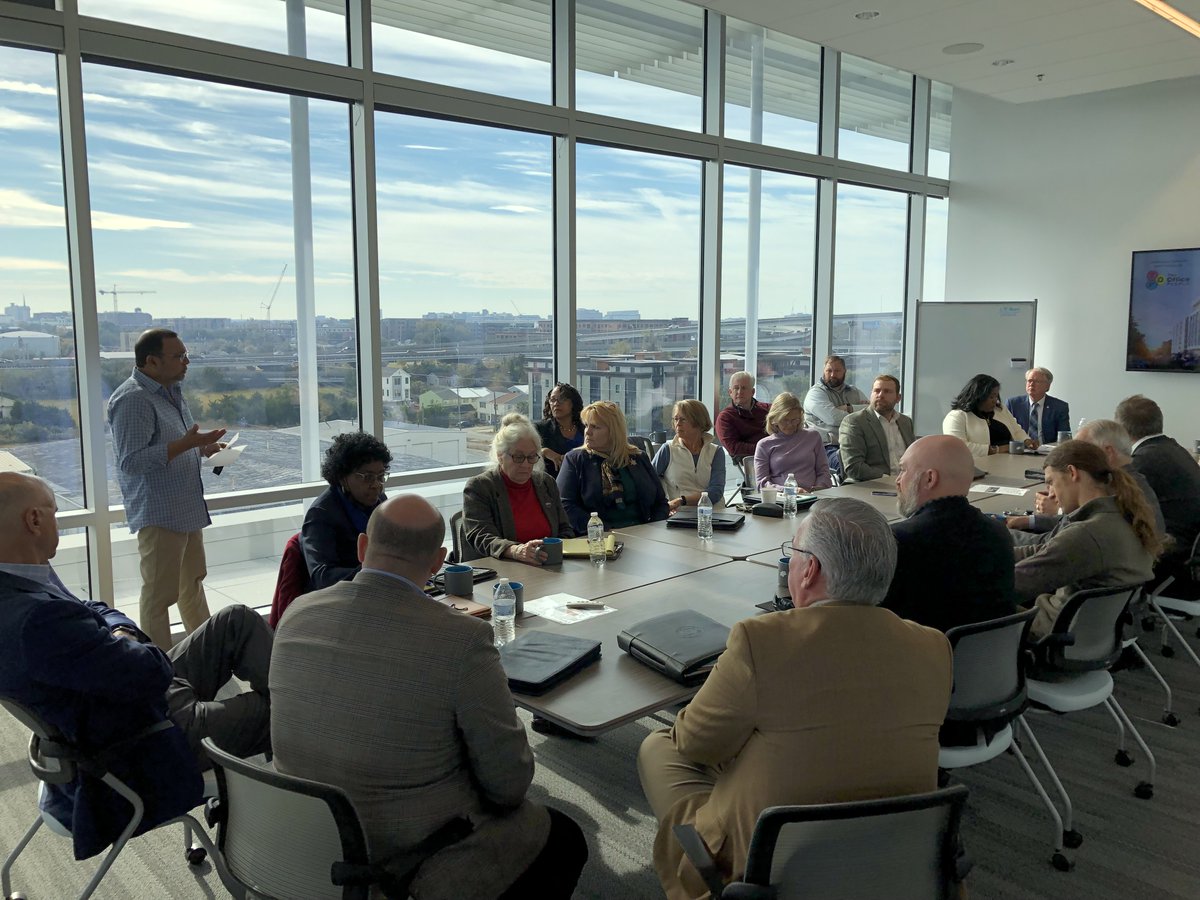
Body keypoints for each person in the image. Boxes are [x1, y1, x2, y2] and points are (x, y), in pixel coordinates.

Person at [270, 495, 587, 900]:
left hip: (295, 833)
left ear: (362, 546)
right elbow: (509, 785)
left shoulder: (297, 613)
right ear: (439, 561)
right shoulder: (462, 641)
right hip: (403, 859)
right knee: (563, 836)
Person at [637, 497, 951, 900]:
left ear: (810, 571)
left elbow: (695, 743)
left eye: (795, 553)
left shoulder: (761, 639)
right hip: (893, 857)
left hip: (767, 872)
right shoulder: (934, 647)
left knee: (660, 745)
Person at [0, 472, 272, 861]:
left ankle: (294, 746)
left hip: (126, 701)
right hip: (145, 738)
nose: (58, 522)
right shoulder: (34, 620)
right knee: (288, 708)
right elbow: (151, 670)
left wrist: (119, 634)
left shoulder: (21, 579)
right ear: (34, 520)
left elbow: (94, 609)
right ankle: (308, 785)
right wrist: (125, 639)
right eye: (55, 513)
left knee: (237, 620)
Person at [108, 328, 226, 649]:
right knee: (160, 597)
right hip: (160, 513)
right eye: (179, 356)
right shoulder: (133, 399)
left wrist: (202, 447)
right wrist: (186, 444)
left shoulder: (172, 391)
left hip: (186, 507)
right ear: (151, 361)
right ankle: (161, 671)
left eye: (186, 355)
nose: (187, 362)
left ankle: (207, 655)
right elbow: (131, 461)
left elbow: (176, 444)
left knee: (192, 586)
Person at [1014, 441, 1160, 638]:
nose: (1050, 494)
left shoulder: (1087, 534)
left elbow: (1011, 584)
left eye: (1050, 482)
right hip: (1090, 633)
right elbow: (1043, 551)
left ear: (1072, 473)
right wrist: (991, 550)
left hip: (1051, 634)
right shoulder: (1124, 515)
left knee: (968, 602)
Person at [883, 436, 1016, 632]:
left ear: (930, 478)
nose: (898, 481)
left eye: (903, 470)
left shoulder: (898, 541)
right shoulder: (998, 533)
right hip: (993, 659)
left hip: (925, 659)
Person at [1005, 419, 1165, 546]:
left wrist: (995, 533)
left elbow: (1050, 544)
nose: (1074, 458)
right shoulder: (1127, 482)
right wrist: (1030, 521)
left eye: (1081, 451)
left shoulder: (1110, 493)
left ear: (1107, 452)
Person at [463, 413, 573, 562]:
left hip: (548, 567)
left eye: (532, 457)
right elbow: (482, 536)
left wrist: (551, 551)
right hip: (502, 574)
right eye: (518, 457)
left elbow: (565, 529)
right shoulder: (480, 487)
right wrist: (515, 551)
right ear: (500, 455)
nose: (526, 464)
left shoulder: (546, 483)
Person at [556, 400, 669, 532]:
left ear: (614, 431)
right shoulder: (575, 460)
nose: (587, 432)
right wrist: (600, 530)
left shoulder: (638, 457)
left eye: (595, 427)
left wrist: (653, 528)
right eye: (586, 426)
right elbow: (565, 505)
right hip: (597, 537)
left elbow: (660, 502)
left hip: (643, 533)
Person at [1114, 394, 1200, 569]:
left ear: (1121, 430)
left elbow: (1115, 511)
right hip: (1190, 547)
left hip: (1172, 555)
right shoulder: (1176, 449)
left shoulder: (1142, 461)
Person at [301, 431, 392, 590]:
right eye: (367, 477)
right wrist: (375, 570)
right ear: (342, 477)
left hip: (376, 590)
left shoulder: (379, 500)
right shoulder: (321, 514)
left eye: (381, 476)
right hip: (339, 601)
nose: (377, 485)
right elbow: (322, 577)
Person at [652, 399, 727, 514]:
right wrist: (663, 505)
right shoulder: (668, 450)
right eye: (676, 419)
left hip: (714, 513)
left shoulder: (716, 452)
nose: (677, 424)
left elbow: (716, 492)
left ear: (698, 422)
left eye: (682, 419)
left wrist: (681, 500)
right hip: (680, 515)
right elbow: (648, 481)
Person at [838, 374, 916, 482]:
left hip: (906, 484)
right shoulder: (855, 422)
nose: (880, 395)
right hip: (872, 486)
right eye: (876, 391)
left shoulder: (905, 422)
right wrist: (889, 480)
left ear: (898, 398)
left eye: (887, 391)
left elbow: (913, 459)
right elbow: (854, 467)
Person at [753, 392, 831, 492]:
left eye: (794, 420)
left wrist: (817, 489)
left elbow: (823, 472)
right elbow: (762, 484)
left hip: (813, 495)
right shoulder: (764, 445)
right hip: (781, 498)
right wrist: (790, 491)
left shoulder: (813, 437)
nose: (790, 425)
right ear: (774, 419)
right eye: (785, 420)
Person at [942, 373, 1033, 458]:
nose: (995, 400)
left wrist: (1026, 441)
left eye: (996, 396)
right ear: (978, 396)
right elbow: (957, 447)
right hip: (976, 466)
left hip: (1010, 460)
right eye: (991, 397)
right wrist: (995, 450)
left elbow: (1016, 430)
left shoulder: (1000, 410)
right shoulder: (956, 417)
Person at [803, 355, 867, 446]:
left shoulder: (854, 391)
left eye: (837, 371)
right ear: (824, 371)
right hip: (826, 445)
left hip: (854, 443)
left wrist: (849, 408)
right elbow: (833, 419)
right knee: (842, 460)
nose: (833, 375)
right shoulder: (815, 393)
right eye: (829, 371)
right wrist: (860, 412)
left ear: (844, 371)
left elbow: (871, 412)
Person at [1005, 367, 1071, 446]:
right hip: (1020, 450)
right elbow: (1006, 432)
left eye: (1037, 381)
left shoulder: (1059, 407)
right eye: (1029, 381)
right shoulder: (1013, 404)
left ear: (1047, 386)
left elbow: (1064, 437)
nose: (1031, 384)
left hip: (1047, 451)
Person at [714, 371, 769, 460]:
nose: (740, 392)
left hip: (778, 456)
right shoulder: (725, 418)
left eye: (744, 388)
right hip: (753, 462)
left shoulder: (768, 409)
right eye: (736, 388)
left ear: (752, 392)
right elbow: (734, 448)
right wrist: (768, 449)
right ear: (730, 392)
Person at [535, 382, 585, 476]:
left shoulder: (586, 429)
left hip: (584, 481)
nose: (556, 403)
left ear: (573, 403)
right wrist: (544, 451)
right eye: (552, 400)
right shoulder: (541, 429)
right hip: (552, 483)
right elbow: (526, 454)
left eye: (562, 399)